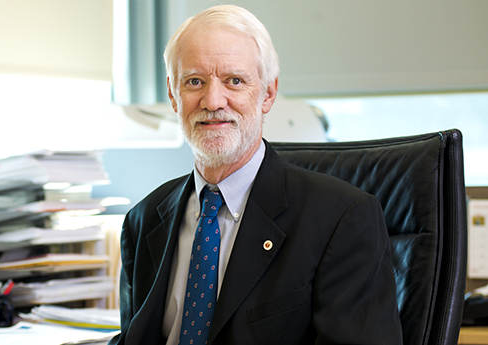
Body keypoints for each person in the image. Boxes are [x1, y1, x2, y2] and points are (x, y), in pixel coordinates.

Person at [111, 4, 402, 345]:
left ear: (268, 92)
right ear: (174, 95)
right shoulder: (143, 220)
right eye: (194, 81)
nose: (213, 100)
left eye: (234, 80)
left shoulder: (341, 219)